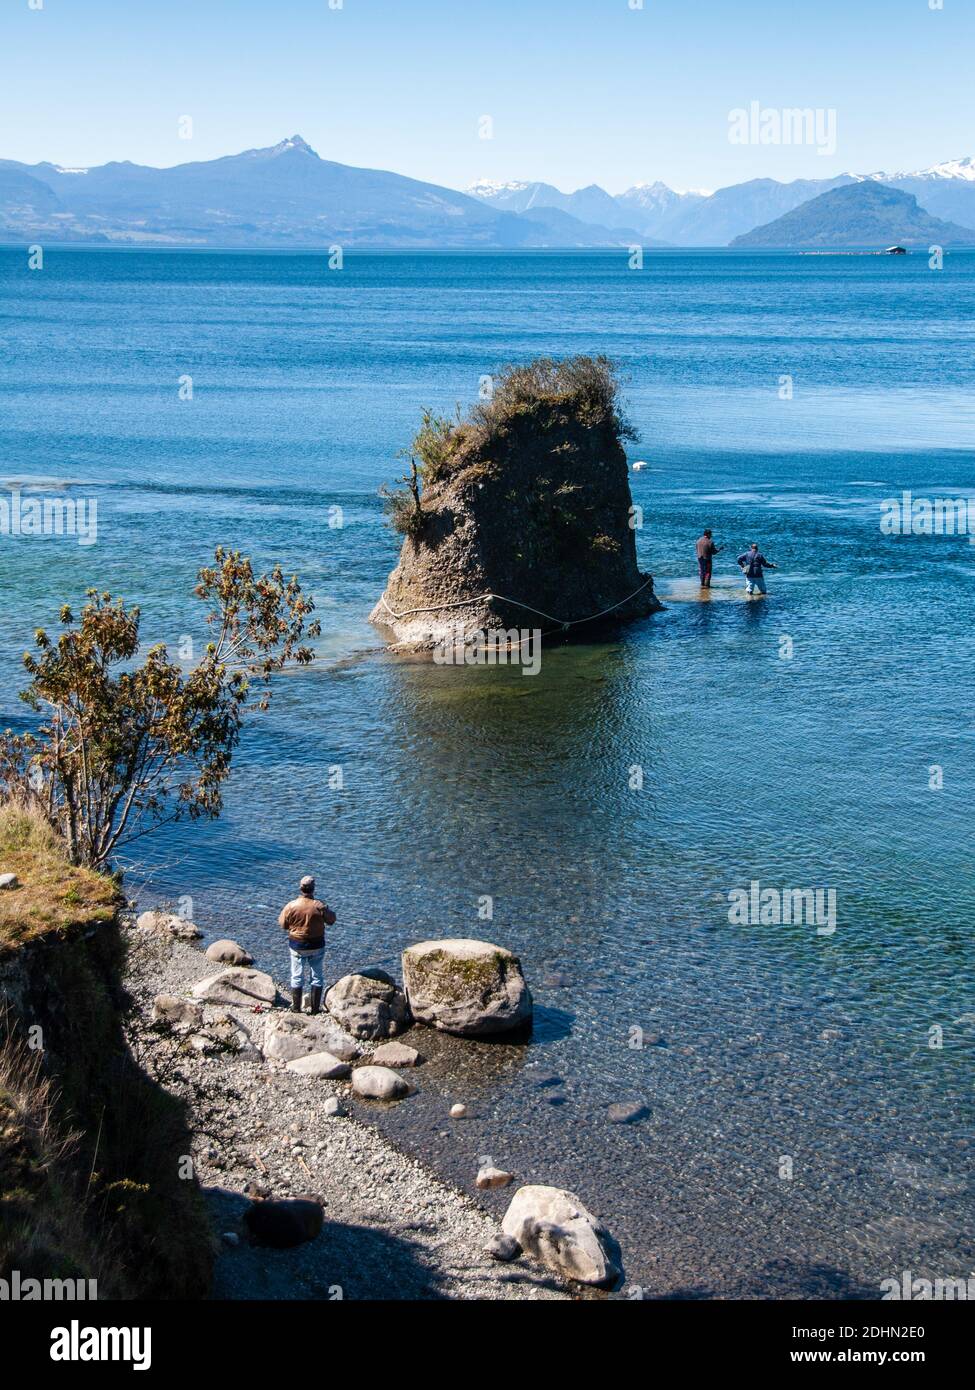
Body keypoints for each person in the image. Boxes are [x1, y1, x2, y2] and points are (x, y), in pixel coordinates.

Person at [278, 875, 336, 1014]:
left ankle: (296, 1008)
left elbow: (283, 924)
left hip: (297, 945)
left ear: (300, 888)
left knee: (296, 976)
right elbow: (332, 920)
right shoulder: (319, 905)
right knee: (317, 977)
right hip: (317, 945)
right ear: (313, 888)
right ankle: (315, 1009)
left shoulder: (291, 906)